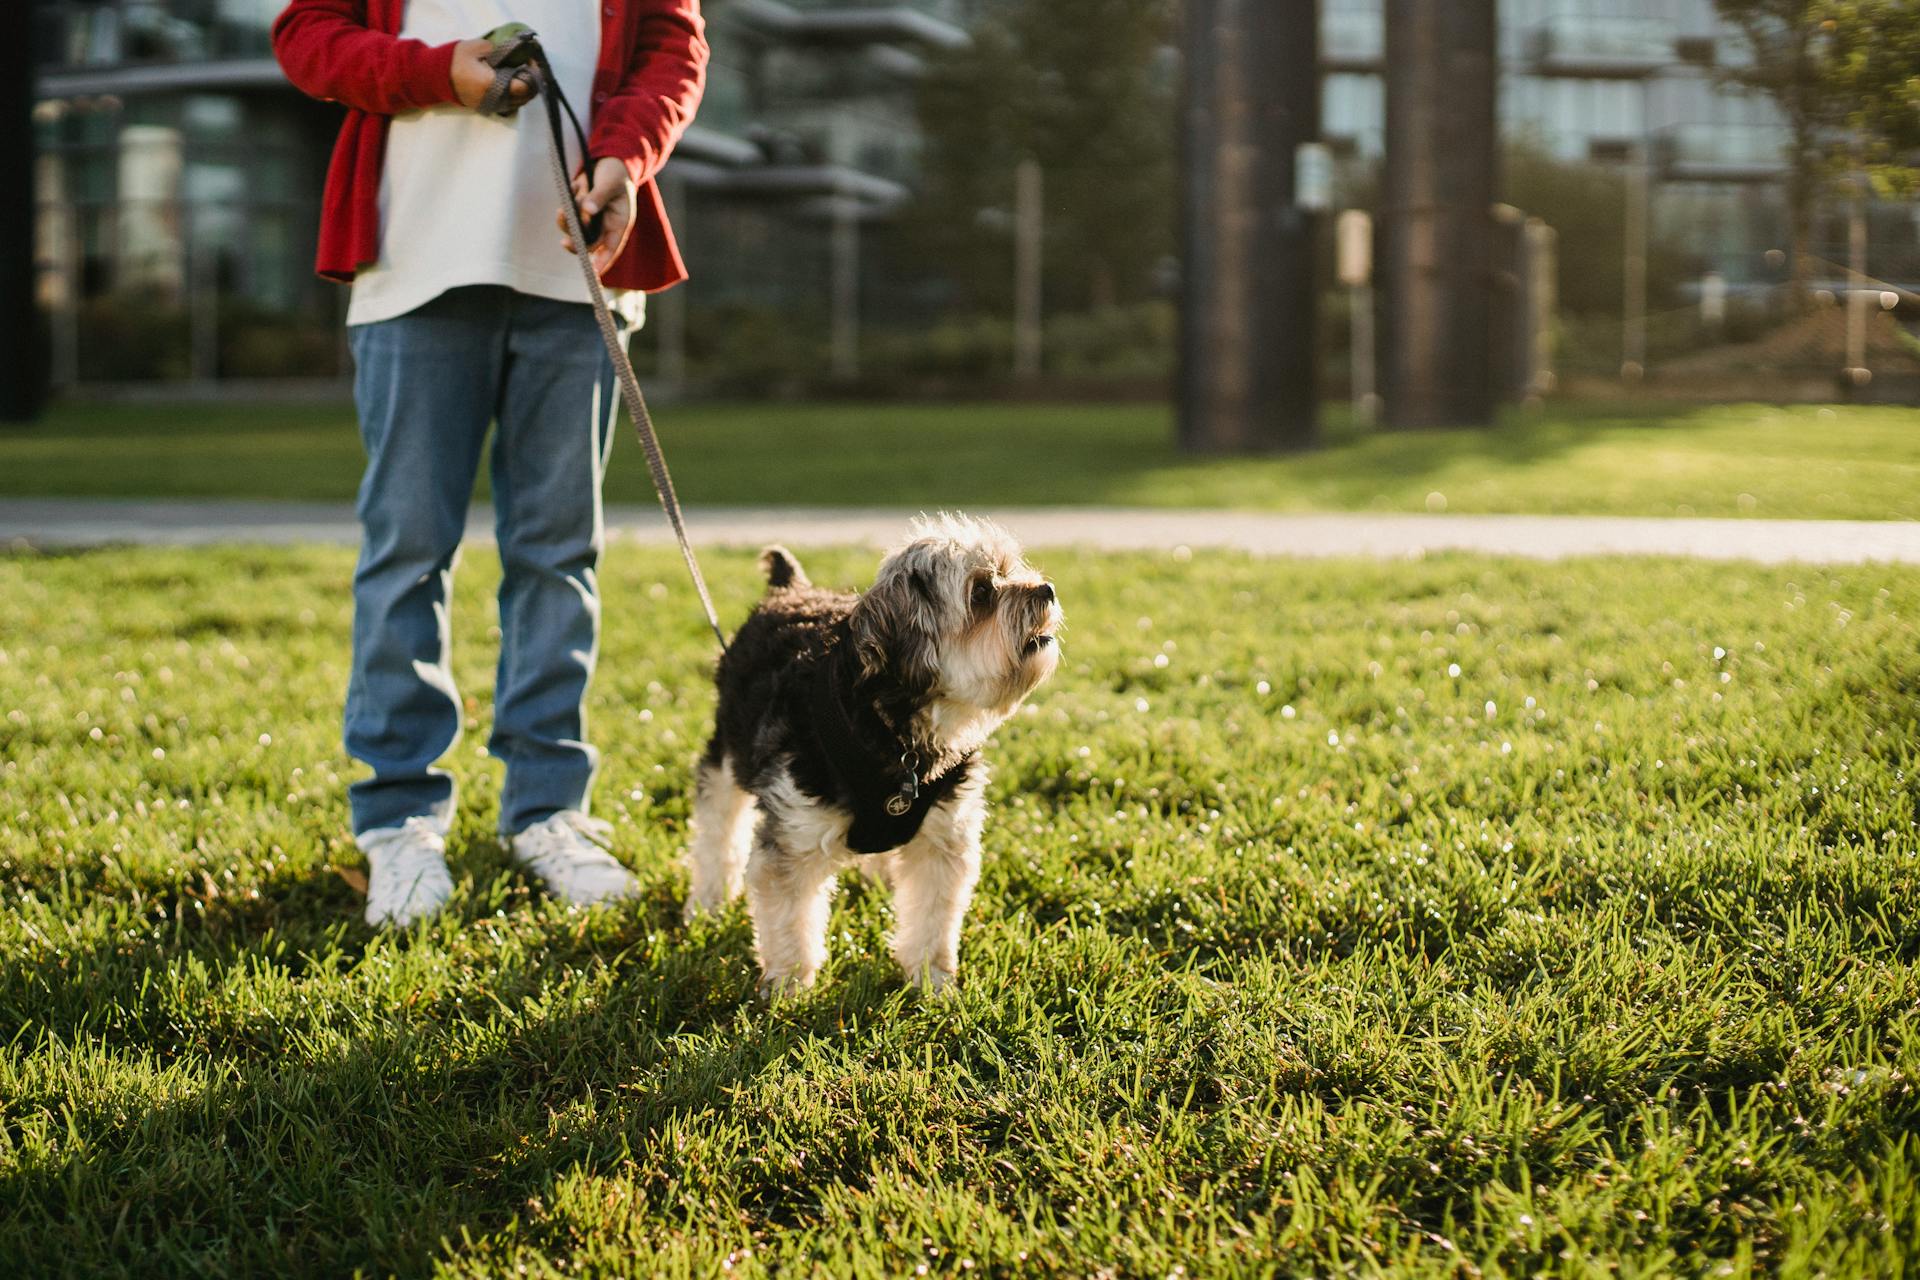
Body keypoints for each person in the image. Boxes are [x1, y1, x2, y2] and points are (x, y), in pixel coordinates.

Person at [271, 0, 706, 926]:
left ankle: (549, 813)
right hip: (415, 261)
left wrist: (625, 161)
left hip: (573, 273)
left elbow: (672, 48)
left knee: (558, 554)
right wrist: (441, 74)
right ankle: (399, 823)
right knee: (408, 551)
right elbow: (306, 36)